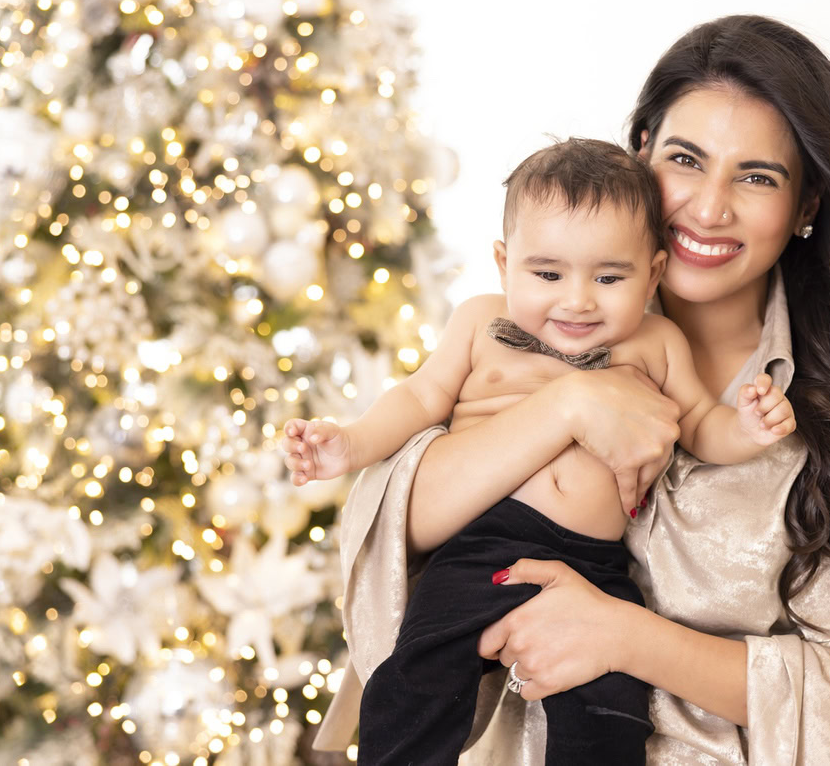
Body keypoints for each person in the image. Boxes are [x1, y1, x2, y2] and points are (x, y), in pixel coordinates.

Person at [310, 14, 830, 765]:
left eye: (758, 176)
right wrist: (571, 405)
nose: (709, 207)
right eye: (685, 160)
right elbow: (400, 525)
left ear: (806, 206)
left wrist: (624, 636)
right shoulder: (541, 321)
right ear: (641, 155)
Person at [285, 136, 795, 765]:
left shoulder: (657, 340)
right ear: (504, 263)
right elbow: (419, 400)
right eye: (547, 274)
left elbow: (698, 424)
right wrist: (351, 443)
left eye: (609, 277)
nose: (577, 299)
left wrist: (747, 428)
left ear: (653, 272)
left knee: (609, 710)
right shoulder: (479, 323)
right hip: (481, 547)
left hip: (593, 567)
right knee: (419, 674)